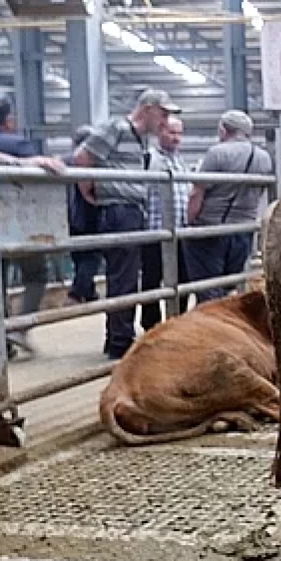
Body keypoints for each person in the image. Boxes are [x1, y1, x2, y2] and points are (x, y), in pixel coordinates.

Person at [73, 89, 180, 359]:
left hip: (131, 209)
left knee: (125, 276)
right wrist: (89, 191)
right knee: (124, 278)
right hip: (120, 210)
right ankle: (121, 342)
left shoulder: (140, 139)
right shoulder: (116, 127)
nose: (165, 121)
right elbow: (83, 157)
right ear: (148, 109)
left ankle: (117, 339)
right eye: (163, 114)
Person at [0, 99, 65, 357]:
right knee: (36, 275)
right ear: (8, 121)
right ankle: (19, 327)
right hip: (22, 224)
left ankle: (0, 342)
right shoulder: (20, 145)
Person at [184, 110, 273, 302]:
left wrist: (190, 223)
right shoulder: (264, 157)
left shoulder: (217, 152)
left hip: (210, 230)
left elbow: (196, 193)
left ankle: (211, 329)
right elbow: (260, 193)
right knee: (231, 286)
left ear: (223, 130)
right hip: (243, 230)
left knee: (208, 288)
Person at [139, 115, 191, 331]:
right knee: (152, 281)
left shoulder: (181, 162)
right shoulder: (148, 159)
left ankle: (177, 322)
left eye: (179, 133)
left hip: (180, 232)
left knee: (184, 281)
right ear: (160, 131)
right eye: (171, 132)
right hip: (154, 231)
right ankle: (151, 327)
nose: (176, 138)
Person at [64, 125, 102, 307]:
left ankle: (89, 291)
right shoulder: (92, 163)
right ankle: (76, 293)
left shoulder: (64, 161)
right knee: (92, 256)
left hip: (69, 217)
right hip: (88, 213)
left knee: (80, 256)